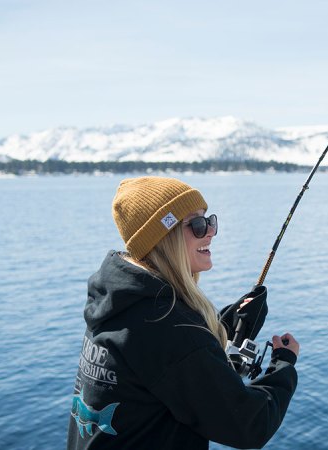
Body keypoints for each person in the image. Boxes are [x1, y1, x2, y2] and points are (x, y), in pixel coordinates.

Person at [67, 176, 299, 449]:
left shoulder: (119, 302)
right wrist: (283, 364)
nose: (211, 231)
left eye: (209, 220)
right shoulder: (169, 328)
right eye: (197, 225)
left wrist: (226, 327)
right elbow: (249, 424)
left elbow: (166, 368)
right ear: (166, 236)